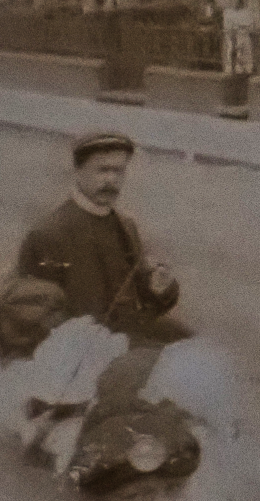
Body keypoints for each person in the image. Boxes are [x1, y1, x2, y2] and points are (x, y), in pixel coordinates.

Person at [16, 132, 184, 343]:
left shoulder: (126, 227)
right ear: (78, 171)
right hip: (80, 350)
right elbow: (30, 314)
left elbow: (144, 299)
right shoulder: (48, 234)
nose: (112, 180)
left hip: (126, 340)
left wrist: (160, 288)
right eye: (103, 170)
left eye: (119, 171)